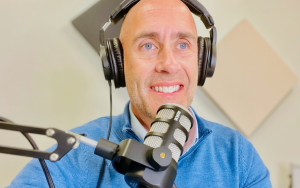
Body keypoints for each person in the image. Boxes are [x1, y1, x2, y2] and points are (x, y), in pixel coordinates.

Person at [8, 0, 272, 187]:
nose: (168, 64)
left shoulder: (237, 156)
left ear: (203, 61)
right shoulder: (75, 152)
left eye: (183, 44)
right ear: (118, 63)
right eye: (148, 45)